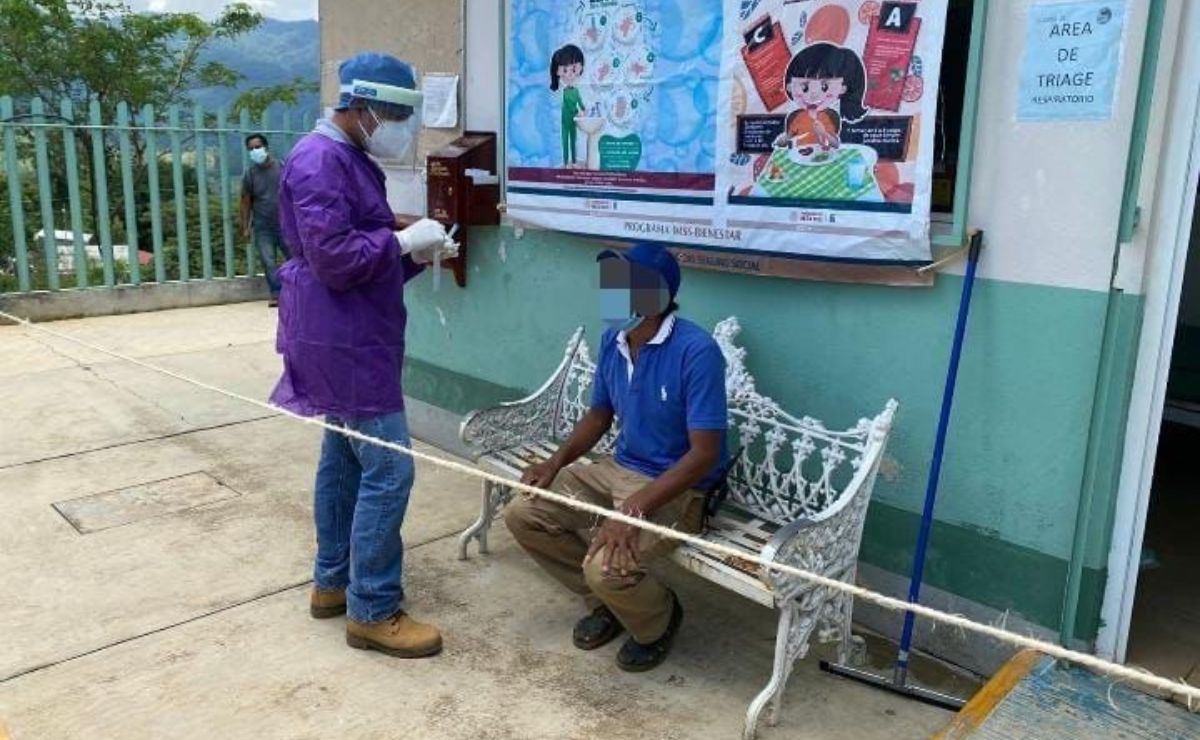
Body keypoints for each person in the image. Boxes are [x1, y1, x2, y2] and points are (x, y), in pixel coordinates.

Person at [270, 52, 458, 659]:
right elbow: (337, 259)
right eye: (396, 112)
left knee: (344, 460)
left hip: (344, 330)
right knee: (390, 468)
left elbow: (360, 252)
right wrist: (403, 240)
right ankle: (373, 608)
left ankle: (332, 583)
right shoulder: (321, 160)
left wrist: (412, 252)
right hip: (343, 340)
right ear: (363, 105)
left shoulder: (345, 156)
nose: (402, 124)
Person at [505, 242, 729, 672]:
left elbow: (705, 454)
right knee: (524, 513)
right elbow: (599, 415)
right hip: (618, 468)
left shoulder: (697, 352)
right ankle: (608, 604)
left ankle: (657, 620)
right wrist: (556, 463)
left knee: (608, 568)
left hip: (677, 487)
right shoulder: (614, 338)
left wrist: (633, 509)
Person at [240, 134, 290, 306]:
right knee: (268, 262)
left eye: (258, 147)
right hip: (262, 226)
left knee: (294, 259)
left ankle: (298, 291)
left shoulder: (283, 167)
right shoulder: (250, 174)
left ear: (266, 147)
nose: (255, 151)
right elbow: (246, 201)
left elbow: (294, 194)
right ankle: (277, 294)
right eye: (251, 149)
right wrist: (245, 227)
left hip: (285, 223)